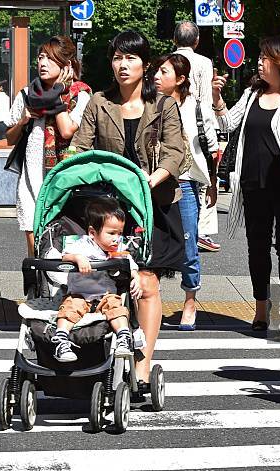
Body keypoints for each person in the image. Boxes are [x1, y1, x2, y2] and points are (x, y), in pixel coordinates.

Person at [71, 31, 186, 387]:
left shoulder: (164, 105)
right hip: (109, 210)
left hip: (156, 205)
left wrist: (152, 179)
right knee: (107, 282)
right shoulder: (98, 103)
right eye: (118, 58)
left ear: (145, 64)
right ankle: (104, 348)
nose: (123, 65)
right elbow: (81, 146)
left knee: (147, 285)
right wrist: (69, 166)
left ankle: (143, 364)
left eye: (131, 58)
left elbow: (175, 151)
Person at [212, 36, 280, 331]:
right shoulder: (251, 93)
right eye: (260, 56)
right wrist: (218, 100)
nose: (259, 61)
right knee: (256, 246)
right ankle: (261, 308)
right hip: (253, 182)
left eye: (266, 57)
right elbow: (227, 124)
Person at [5, 36, 92, 257]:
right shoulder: (28, 94)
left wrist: (56, 95)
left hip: (65, 175)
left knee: (63, 233)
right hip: (31, 174)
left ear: (66, 65)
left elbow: (67, 131)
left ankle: (60, 287)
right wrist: (23, 120)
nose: (42, 63)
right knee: (32, 229)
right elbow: (10, 137)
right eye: (40, 57)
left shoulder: (79, 94)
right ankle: (37, 284)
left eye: (50, 59)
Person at [153, 53, 219, 330]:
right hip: (155, 180)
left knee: (189, 243)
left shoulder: (196, 107)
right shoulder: (149, 103)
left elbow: (211, 145)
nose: (157, 76)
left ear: (180, 79)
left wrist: (213, 182)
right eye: (157, 70)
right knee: (152, 241)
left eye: (164, 72)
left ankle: (190, 302)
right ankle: (150, 300)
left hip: (187, 180)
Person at [53, 198, 141, 362]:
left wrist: (136, 277)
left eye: (120, 233)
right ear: (93, 233)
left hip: (105, 294)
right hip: (80, 294)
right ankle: (61, 339)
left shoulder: (119, 248)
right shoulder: (82, 245)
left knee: (117, 307)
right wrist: (78, 259)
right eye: (111, 233)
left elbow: (130, 263)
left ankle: (123, 336)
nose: (117, 239)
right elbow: (65, 256)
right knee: (69, 308)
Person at [173, 20, 221, 253]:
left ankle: (180, 230)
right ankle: (199, 230)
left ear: (174, 40)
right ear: (196, 41)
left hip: (170, 121)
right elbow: (206, 100)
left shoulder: (166, 62)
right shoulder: (204, 62)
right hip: (198, 125)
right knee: (202, 179)